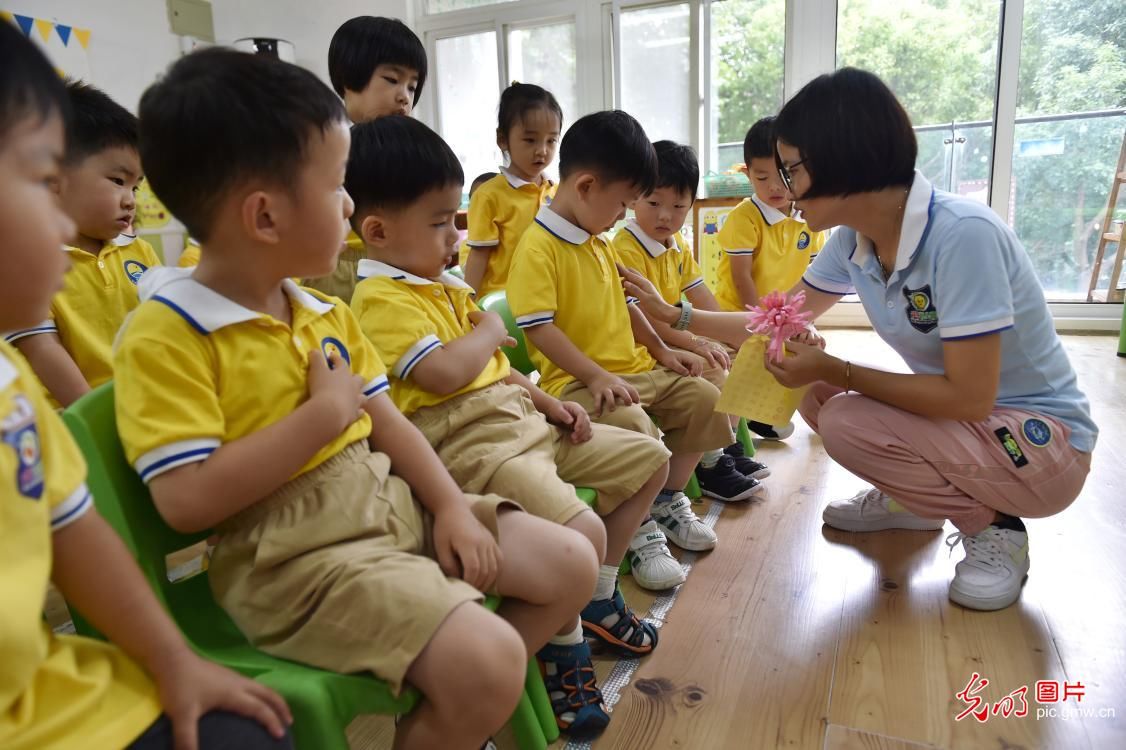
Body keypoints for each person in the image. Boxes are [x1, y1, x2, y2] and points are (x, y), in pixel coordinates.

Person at [115, 48, 598, 750]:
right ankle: (467, 699)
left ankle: (451, 710)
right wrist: (322, 418)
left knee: (573, 564)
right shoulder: (165, 336)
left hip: (390, 508)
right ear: (266, 217)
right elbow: (186, 502)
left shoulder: (321, 312)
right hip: (294, 560)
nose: (349, 204)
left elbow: (391, 426)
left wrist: (451, 507)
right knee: (490, 659)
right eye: (338, 185)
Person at [619, 68, 1098, 612]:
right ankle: (916, 500)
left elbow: (970, 398)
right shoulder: (854, 240)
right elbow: (774, 319)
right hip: (971, 428)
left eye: (790, 170)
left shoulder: (963, 235)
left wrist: (835, 370)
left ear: (841, 158)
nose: (785, 189)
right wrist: (675, 316)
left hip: (1039, 445)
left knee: (842, 411)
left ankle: (994, 531)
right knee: (816, 395)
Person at [0, 24, 292, 750]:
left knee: (250, 734)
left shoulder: (9, 387)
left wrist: (173, 662)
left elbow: (71, 525)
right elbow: (50, 355)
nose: (62, 215)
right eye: (42, 183)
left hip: (46, 692)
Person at [347, 116, 675, 737]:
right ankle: (560, 646)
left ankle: (598, 594)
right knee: (579, 527)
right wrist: (494, 328)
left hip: (523, 422)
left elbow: (497, 369)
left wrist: (549, 404)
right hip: (473, 445)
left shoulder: (442, 287)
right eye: (441, 223)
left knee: (649, 460)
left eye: (455, 220)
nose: (456, 239)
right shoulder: (380, 301)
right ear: (379, 231)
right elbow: (445, 375)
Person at [508, 110, 767, 560]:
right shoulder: (538, 247)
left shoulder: (598, 241)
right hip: (575, 384)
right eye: (623, 204)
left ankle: (665, 500)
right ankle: (640, 530)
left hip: (634, 371)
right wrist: (594, 376)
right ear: (586, 187)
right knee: (635, 426)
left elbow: (629, 307)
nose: (623, 216)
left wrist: (664, 351)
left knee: (704, 399)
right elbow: (540, 327)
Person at [612, 139, 770, 483]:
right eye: (654, 203)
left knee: (737, 354)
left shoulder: (677, 242)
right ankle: (712, 463)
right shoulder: (624, 248)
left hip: (675, 334)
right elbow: (646, 320)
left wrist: (727, 334)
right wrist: (698, 343)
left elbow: (700, 295)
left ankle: (723, 449)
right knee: (714, 372)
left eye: (679, 206)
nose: (665, 215)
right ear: (634, 195)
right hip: (646, 345)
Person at [6, 81, 160, 408]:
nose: (131, 201)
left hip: (143, 406)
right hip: (77, 420)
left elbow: (164, 324)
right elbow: (42, 350)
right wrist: (98, 420)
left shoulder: (139, 252)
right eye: (118, 181)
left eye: (136, 187)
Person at [713, 116, 827, 441]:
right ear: (747, 174)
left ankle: (766, 412)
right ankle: (737, 425)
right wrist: (767, 323)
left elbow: (815, 278)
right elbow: (741, 279)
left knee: (811, 346)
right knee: (749, 357)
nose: (775, 187)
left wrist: (802, 324)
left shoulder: (809, 217)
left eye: (783, 176)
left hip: (785, 315)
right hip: (741, 314)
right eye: (762, 178)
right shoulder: (744, 218)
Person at [303, 16, 428, 301]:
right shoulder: (327, 147)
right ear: (349, 78)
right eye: (392, 80)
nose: (404, 97)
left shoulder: (406, 150)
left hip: (395, 266)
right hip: (340, 269)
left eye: (412, 86)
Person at [461, 83, 560, 295]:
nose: (542, 151)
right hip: (503, 302)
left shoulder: (558, 193)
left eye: (551, 140)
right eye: (530, 140)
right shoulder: (488, 195)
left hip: (548, 297)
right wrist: (468, 306)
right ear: (502, 139)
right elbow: (478, 256)